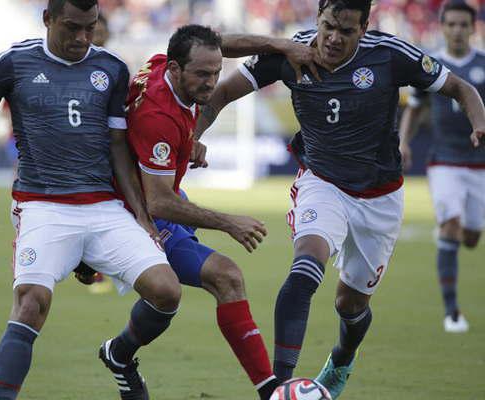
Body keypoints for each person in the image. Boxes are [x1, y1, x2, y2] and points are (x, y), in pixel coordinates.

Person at [195, 0, 485, 398]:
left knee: (350, 305)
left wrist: (479, 124)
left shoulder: (390, 55)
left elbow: (460, 87)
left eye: (346, 31)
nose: (333, 38)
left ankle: (342, 359)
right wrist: (192, 137)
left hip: (380, 196)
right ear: (318, 19)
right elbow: (218, 76)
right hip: (322, 181)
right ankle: (278, 388)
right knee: (305, 269)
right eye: (328, 26)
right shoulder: (290, 52)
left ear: (364, 28)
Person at [0, 1, 181, 399]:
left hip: (103, 208)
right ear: (47, 19)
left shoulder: (112, 69)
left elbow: (118, 147)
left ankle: (119, 355)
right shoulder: (11, 63)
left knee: (167, 292)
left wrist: (140, 213)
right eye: (72, 28)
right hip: (43, 205)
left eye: (90, 27)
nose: (82, 38)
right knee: (31, 304)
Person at [113, 24, 323, 400]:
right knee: (212, 281)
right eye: (202, 75)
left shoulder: (165, 62)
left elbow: (221, 45)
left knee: (202, 286)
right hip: (131, 210)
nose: (211, 83)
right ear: (176, 71)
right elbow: (159, 201)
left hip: (151, 193)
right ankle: (271, 392)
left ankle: (118, 354)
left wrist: (280, 44)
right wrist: (230, 222)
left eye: (215, 72)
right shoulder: (158, 116)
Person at [399, 0, 485, 333]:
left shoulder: (482, 65)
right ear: (443, 27)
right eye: (451, 24)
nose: (458, 31)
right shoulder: (430, 66)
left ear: (472, 27)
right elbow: (416, 109)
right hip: (444, 160)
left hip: (480, 164)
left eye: (464, 25)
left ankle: (451, 233)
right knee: (451, 225)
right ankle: (452, 313)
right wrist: (404, 142)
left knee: (472, 237)